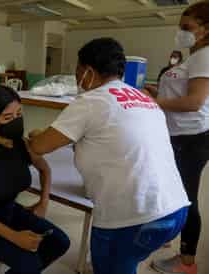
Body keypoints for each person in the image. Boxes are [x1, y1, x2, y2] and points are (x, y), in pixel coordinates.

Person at [28, 38, 190, 274]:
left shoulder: (90, 101)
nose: (77, 79)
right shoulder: (143, 98)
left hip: (132, 218)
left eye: (77, 72)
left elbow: (40, 146)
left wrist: (35, 135)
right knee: (127, 262)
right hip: (174, 209)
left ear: (89, 72)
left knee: (111, 265)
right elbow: (114, 142)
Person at [0, 85, 70, 274]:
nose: (16, 121)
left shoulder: (22, 145)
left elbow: (45, 170)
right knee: (29, 263)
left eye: (19, 114)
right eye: (8, 118)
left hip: (8, 210)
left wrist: (43, 202)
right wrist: (15, 237)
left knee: (59, 242)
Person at [148, 2, 209, 274]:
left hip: (192, 137)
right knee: (171, 190)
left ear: (206, 30)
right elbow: (180, 91)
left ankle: (186, 263)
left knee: (186, 197)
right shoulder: (192, 55)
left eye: (187, 28)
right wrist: (155, 90)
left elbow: (194, 102)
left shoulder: (205, 55)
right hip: (178, 135)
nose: (181, 33)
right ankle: (167, 234)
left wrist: (156, 101)